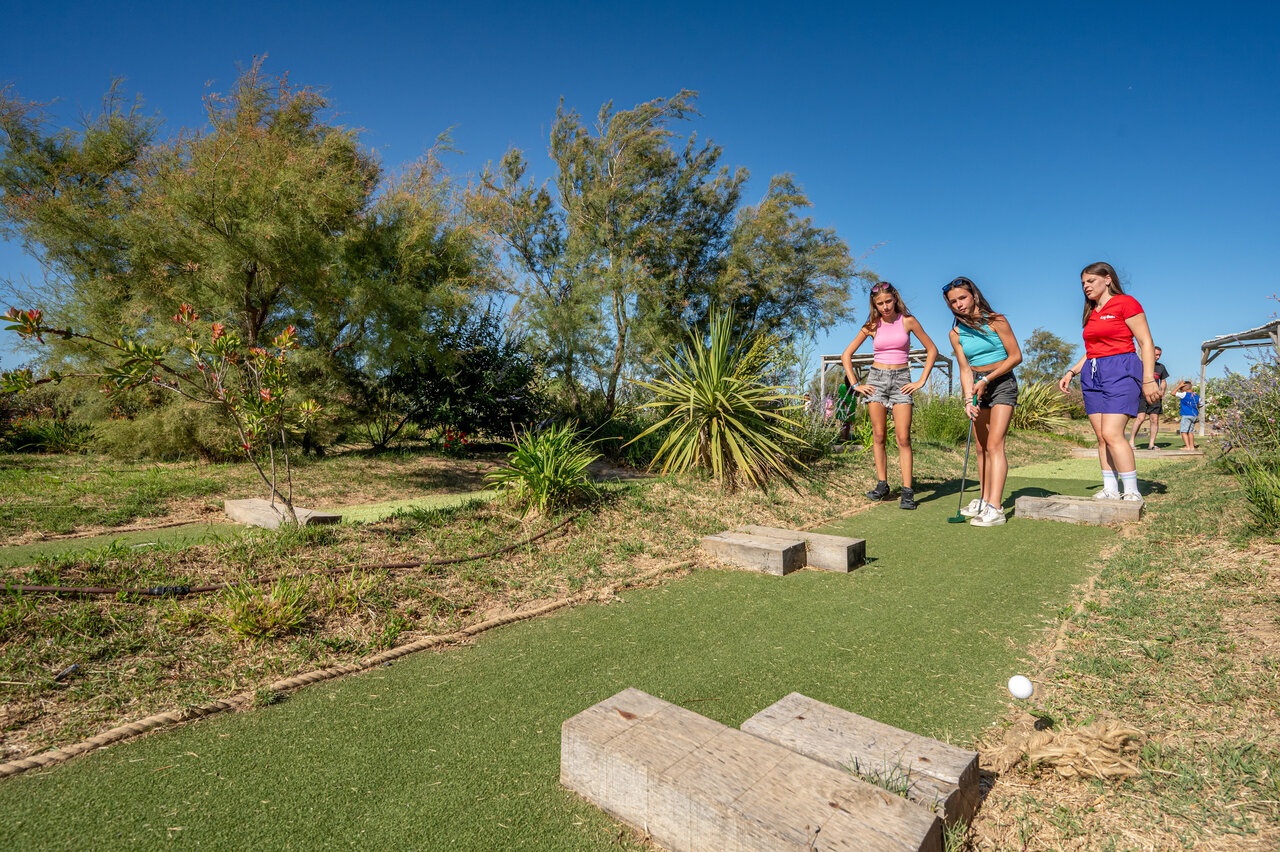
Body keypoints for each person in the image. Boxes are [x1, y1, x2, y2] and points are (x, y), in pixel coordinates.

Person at [1057, 262, 1160, 501]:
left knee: (1112, 433)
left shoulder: (1126, 303)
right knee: (1102, 437)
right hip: (1093, 374)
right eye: (1083, 283)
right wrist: (1071, 371)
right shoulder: (1092, 312)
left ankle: (1132, 491)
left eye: (1091, 281)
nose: (1086, 286)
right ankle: (1110, 489)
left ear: (1107, 279)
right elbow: (1092, 350)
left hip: (1121, 369)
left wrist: (1148, 379)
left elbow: (1146, 342)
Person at [841, 281, 938, 509]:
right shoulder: (871, 326)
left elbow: (932, 350)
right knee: (879, 436)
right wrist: (855, 385)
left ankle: (907, 491)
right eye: (879, 303)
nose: (885, 307)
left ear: (895, 298)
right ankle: (882, 484)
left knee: (903, 438)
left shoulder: (908, 321)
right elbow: (847, 355)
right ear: (874, 305)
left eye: (888, 301)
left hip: (902, 380)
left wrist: (921, 380)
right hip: (876, 380)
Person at [943, 277, 1023, 527]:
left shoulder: (996, 320)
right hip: (977, 387)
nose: (958, 304)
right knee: (981, 447)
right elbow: (965, 368)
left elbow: (1015, 356)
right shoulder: (955, 333)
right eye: (953, 302)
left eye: (962, 298)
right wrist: (968, 399)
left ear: (974, 296)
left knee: (995, 444)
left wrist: (987, 379)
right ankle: (984, 499)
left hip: (1002, 382)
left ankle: (995, 508)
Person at [1129, 345, 1169, 449]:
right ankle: (1131, 442)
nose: (1158, 357)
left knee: (1154, 419)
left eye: (1159, 355)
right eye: (1156, 355)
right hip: (1141, 396)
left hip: (1155, 396)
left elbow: (1163, 381)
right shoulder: (1141, 365)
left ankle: (1151, 444)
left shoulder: (1161, 367)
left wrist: (1162, 391)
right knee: (1140, 418)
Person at [1174, 380, 1201, 449]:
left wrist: (1179, 386)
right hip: (1194, 415)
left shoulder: (1184, 394)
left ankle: (1187, 446)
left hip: (1186, 415)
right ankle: (1192, 447)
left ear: (1183, 388)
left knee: (1183, 432)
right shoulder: (1196, 396)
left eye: (1181, 388)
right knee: (1190, 431)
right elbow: (1200, 404)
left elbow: (1173, 393)